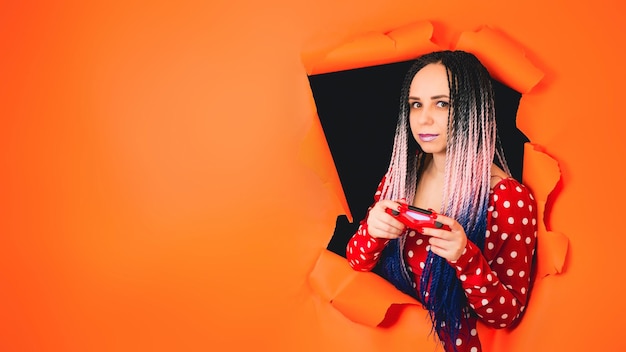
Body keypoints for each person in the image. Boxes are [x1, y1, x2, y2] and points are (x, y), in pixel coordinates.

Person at [345, 50, 538, 352]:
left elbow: (507, 314)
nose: (423, 118)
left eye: (442, 103)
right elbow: (356, 262)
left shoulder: (507, 197)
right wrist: (372, 231)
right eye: (416, 104)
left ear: (473, 109)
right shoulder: (403, 174)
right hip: (382, 342)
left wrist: (465, 257)